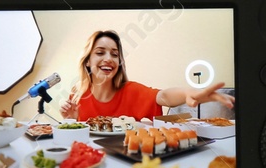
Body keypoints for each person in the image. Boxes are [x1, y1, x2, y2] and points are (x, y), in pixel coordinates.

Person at [58, 30, 233, 121]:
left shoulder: (131, 90)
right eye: (100, 52)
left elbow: (163, 96)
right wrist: (71, 121)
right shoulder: (77, 95)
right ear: (87, 61)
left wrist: (189, 93)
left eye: (114, 54)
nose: (108, 59)